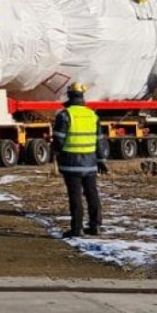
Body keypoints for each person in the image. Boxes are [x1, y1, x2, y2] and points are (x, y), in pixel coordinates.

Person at [52, 82, 105, 238]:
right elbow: (99, 140)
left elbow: (59, 139)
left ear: (69, 96)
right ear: (82, 97)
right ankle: (96, 226)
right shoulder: (93, 115)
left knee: (75, 196)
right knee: (92, 193)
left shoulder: (64, 115)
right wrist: (101, 160)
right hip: (90, 163)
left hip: (71, 163)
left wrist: (57, 154)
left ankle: (77, 228)